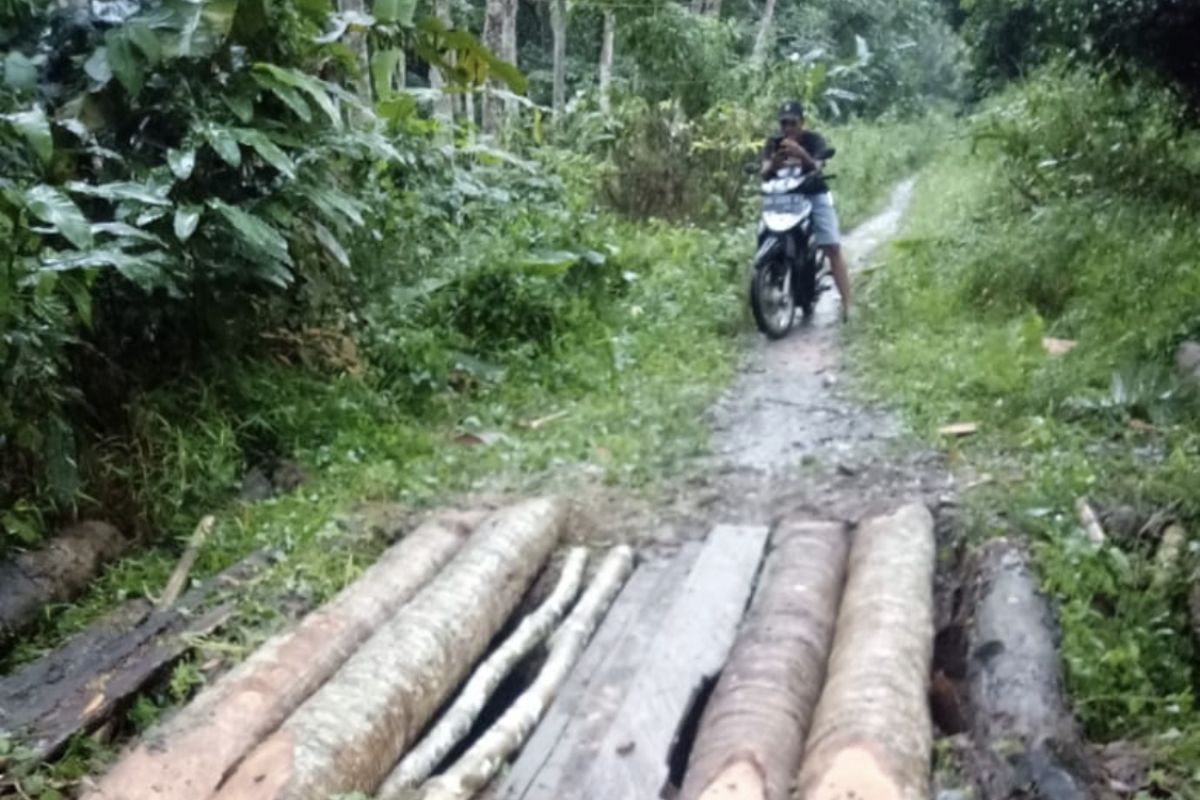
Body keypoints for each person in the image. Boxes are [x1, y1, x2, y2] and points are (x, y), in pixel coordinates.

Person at [760, 100, 851, 322]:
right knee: (764, 235)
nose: (788, 129)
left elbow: (818, 166)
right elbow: (764, 173)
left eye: (792, 123)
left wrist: (801, 153)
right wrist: (774, 162)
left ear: (802, 123)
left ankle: (848, 304)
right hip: (783, 198)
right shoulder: (773, 144)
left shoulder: (814, 140)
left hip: (813, 194)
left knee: (832, 246)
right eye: (784, 124)